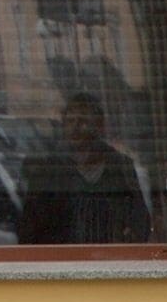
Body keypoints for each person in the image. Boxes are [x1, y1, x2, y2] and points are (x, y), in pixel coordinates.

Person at [21, 92, 151, 247]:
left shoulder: (120, 166)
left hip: (110, 257)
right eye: (70, 121)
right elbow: (30, 229)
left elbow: (139, 221)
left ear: (100, 125)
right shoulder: (49, 169)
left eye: (83, 121)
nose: (75, 128)